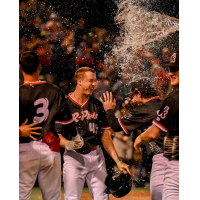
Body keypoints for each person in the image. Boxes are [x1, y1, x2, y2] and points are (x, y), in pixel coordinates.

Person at [58, 67, 131, 200]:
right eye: (90, 81)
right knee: (72, 197)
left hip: (97, 156)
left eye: (94, 81)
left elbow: (105, 136)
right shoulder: (64, 103)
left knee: (102, 197)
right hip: (74, 157)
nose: (94, 84)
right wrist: (72, 145)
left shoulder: (97, 104)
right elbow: (56, 137)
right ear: (79, 81)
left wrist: (118, 162)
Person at [19, 51, 80, 200]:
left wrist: (19, 132)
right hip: (50, 147)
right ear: (40, 67)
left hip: (25, 148)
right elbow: (67, 121)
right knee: (53, 197)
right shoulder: (54, 90)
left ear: (20, 68)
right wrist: (77, 138)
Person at [100, 79, 167, 200]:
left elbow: (115, 126)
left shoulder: (145, 109)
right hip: (176, 155)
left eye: (133, 95)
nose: (132, 99)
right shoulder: (164, 103)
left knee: (159, 196)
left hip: (163, 158)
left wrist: (109, 109)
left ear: (139, 94)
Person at [134, 50, 179, 200]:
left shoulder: (174, 99)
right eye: (170, 69)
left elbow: (153, 133)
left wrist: (140, 137)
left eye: (176, 69)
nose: (171, 73)